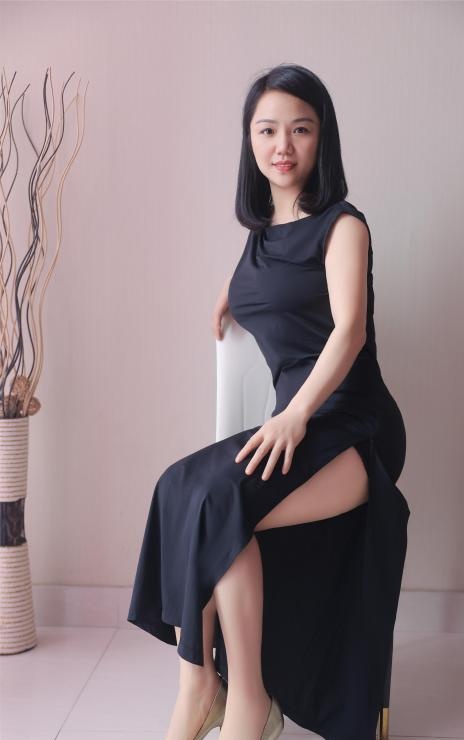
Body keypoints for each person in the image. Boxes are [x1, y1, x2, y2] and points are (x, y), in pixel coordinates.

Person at [127, 63, 411, 740]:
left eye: (300, 129)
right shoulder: (260, 236)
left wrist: (294, 414)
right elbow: (274, 286)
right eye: (267, 130)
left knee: (221, 507)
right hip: (300, 423)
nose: (282, 144)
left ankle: (249, 705)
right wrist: (232, 293)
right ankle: (200, 685)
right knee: (178, 488)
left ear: (322, 139)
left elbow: (348, 330)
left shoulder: (343, 225)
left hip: (351, 426)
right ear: (249, 140)